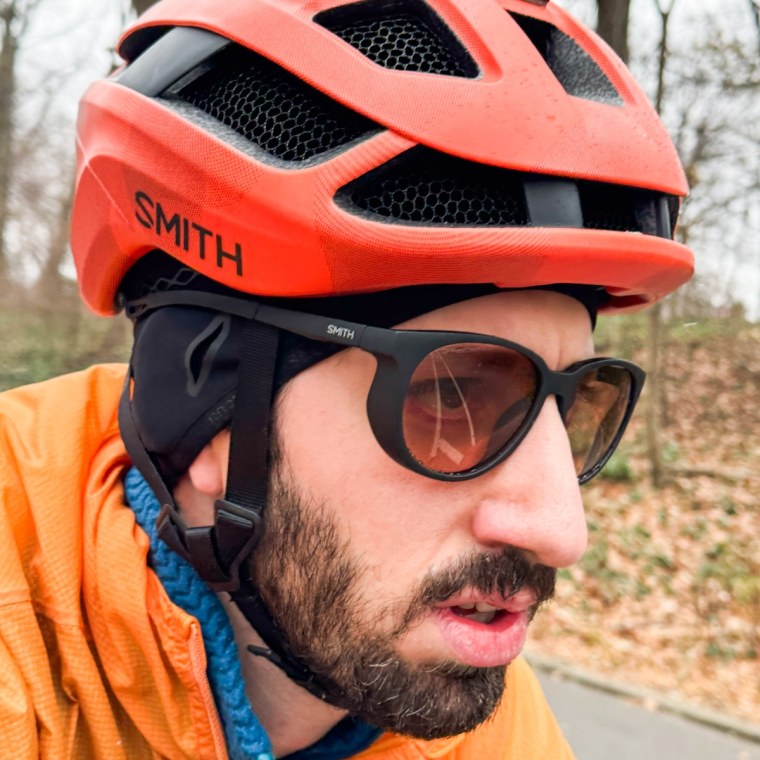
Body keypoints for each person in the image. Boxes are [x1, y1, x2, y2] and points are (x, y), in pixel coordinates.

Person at [0, 0, 694, 757]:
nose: (564, 531)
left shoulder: (461, 698)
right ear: (204, 399)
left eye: (577, 403)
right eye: (449, 397)